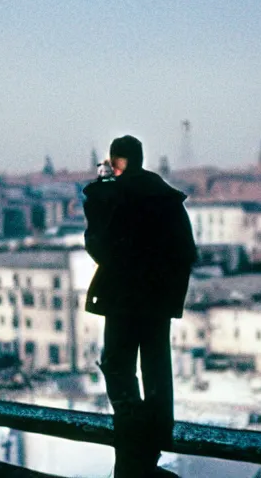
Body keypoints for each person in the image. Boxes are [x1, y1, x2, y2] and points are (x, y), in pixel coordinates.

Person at [82, 135, 198, 478]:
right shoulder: (166, 197)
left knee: (119, 367)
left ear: (116, 161)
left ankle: (133, 440)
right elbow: (186, 251)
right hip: (156, 299)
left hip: (121, 298)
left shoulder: (112, 195)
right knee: (156, 365)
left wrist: (100, 190)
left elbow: (98, 247)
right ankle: (157, 436)